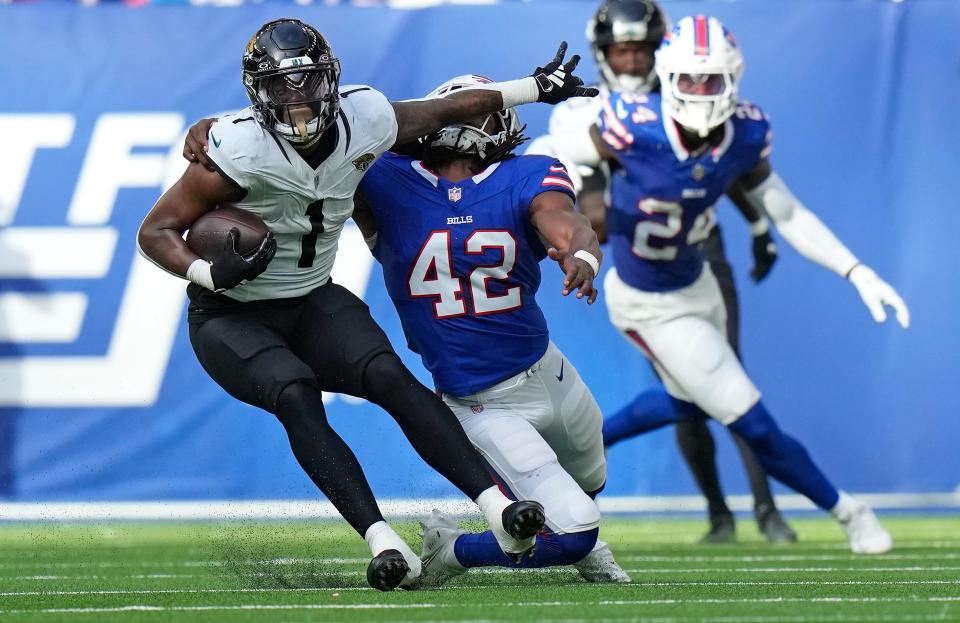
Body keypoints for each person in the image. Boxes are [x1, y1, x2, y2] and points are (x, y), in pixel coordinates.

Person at [139, 18, 596, 591]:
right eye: (283, 86)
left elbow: (444, 112)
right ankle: (382, 538)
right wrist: (210, 270)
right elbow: (155, 231)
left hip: (311, 297)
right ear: (258, 92)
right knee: (297, 395)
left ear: (331, 79)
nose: (299, 98)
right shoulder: (236, 145)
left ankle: (496, 507)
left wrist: (533, 87)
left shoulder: (367, 118)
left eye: (308, 81)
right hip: (232, 312)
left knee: (391, 377)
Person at [592, 15, 909, 554]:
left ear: (732, 80)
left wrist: (857, 270)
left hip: (699, 284)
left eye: (709, 80)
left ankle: (579, 448)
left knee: (689, 403)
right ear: (666, 78)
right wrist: (576, 223)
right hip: (648, 302)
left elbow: (788, 213)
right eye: (688, 79)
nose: (698, 91)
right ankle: (851, 513)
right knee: (751, 418)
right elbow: (560, 164)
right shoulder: (627, 123)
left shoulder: (744, 132)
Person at [525, 0, 795, 544]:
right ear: (602, 52)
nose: (629, 61)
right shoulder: (587, 113)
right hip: (638, 257)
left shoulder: (683, 93)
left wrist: (762, 223)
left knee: (727, 375)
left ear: (660, 52)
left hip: (699, 248)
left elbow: (733, 168)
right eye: (620, 49)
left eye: (640, 49)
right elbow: (587, 203)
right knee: (684, 387)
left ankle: (767, 511)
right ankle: (719, 512)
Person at [350, 74, 629, 588]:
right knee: (575, 532)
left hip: (548, 370)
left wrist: (581, 251)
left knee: (591, 481)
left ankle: (563, 533)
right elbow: (321, 139)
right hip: (480, 401)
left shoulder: (528, 174)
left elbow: (564, 219)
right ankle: (452, 550)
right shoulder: (384, 177)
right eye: (450, 110)